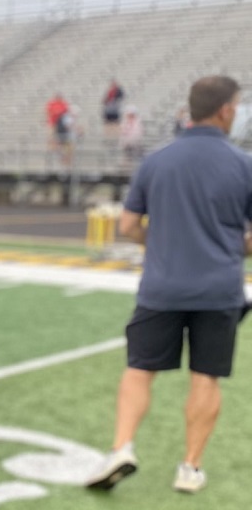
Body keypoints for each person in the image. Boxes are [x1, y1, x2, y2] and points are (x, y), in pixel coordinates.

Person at [85, 76, 251, 494]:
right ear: (226, 110)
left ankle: (121, 447)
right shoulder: (244, 164)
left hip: (161, 286)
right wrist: (235, 247)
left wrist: (156, 240)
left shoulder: (155, 162)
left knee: (139, 370)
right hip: (218, 290)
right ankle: (190, 468)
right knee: (205, 377)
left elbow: (126, 225)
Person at [45, 93, 73, 167]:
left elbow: (66, 113)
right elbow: (49, 112)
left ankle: (65, 160)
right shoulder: (52, 104)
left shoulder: (63, 104)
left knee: (65, 144)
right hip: (54, 124)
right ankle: (54, 151)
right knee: (54, 139)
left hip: (62, 127)